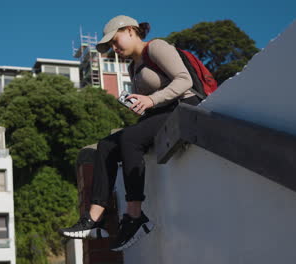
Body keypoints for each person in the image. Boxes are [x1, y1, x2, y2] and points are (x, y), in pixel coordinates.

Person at [58, 15, 201, 251]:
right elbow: (150, 103)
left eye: (115, 41)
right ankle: (94, 218)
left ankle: (135, 216)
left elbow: (184, 80)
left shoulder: (156, 47)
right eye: (111, 46)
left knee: (129, 138)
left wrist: (150, 99)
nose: (114, 49)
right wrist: (141, 105)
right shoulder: (133, 66)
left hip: (184, 105)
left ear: (130, 31)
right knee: (106, 145)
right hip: (160, 112)